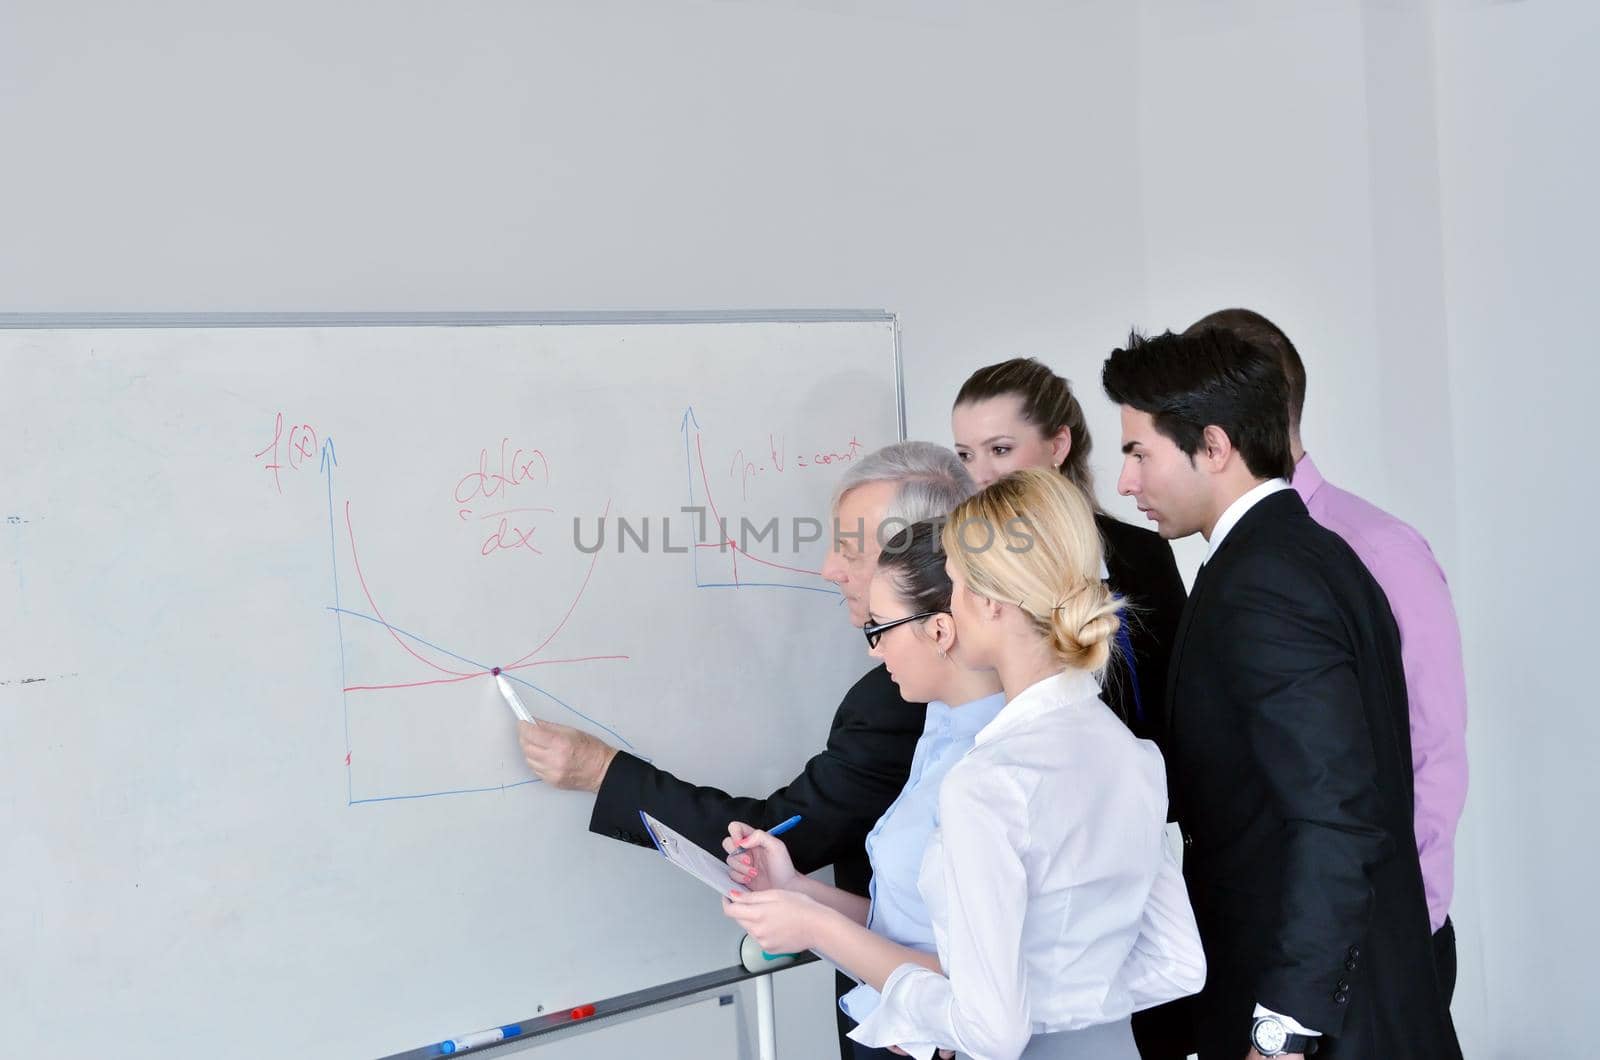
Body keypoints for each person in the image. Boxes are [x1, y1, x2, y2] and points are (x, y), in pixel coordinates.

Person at [514, 440, 976, 1059]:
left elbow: (781, 831)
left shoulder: (908, 703)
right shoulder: (920, 693)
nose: (828, 568)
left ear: (921, 561)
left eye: (849, 548)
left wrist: (604, 773)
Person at [723, 470, 1205, 1060]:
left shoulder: (986, 783)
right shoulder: (1132, 755)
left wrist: (819, 929)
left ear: (991, 603)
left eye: (952, 583)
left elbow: (991, 1031)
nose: (945, 606)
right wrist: (1032, 996)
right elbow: (1178, 966)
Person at [1102, 329, 1460, 1060]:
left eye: (1139, 452)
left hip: (1324, 1022)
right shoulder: (1287, 553)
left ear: (1213, 444)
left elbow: (1337, 817)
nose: (1125, 482)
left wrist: (1284, 1025)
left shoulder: (1268, 578)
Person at [1184, 308, 1468, 1005]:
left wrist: (1407, 925)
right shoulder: (1235, 555)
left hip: (1379, 944)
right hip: (1274, 943)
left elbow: (1434, 748)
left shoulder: (1381, 548)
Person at [951, 358, 1185, 746]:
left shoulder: (1141, 556)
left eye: (1000, 449)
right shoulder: (956, 565)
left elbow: (1175, 706)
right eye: (964, 455)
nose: (979, 474)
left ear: (1058, 445)